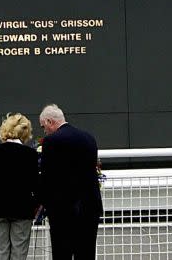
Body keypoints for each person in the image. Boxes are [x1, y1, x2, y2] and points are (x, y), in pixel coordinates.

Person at [37, 104, 102, 260]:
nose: (44, 131)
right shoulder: (89, 138)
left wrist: (41, 202)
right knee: (86, 254)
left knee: (62, 254)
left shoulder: (51, 141)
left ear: (50, 121)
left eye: (43, 126)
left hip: (62, 211)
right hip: (89, 208)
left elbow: (47, 177)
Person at [0, 113, 39, 260]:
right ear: (25, 132)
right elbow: (36, 185)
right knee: (19, 254)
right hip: (22, 210)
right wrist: (34, 206)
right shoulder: (30, 154)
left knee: (1, 254)